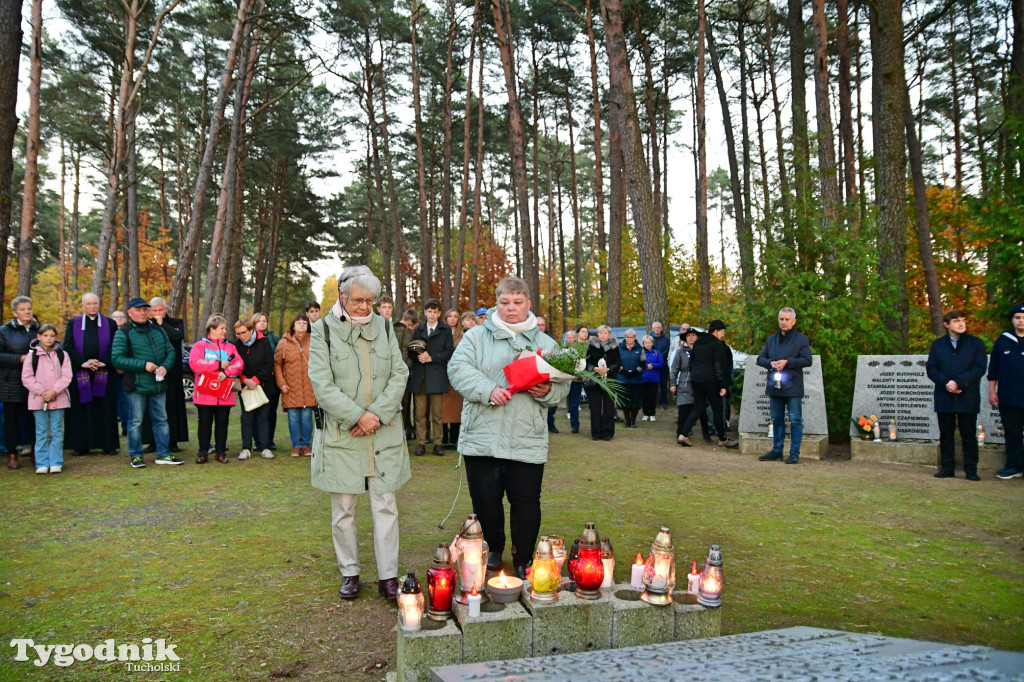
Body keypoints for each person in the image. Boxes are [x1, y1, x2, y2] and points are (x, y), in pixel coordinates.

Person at [448, 276, 570, 578]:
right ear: (496, 304)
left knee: (526, 500)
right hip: (483, 437)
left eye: (517, 303)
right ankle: (494, 548)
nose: (510, 308)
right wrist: (487, 389)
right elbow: (457, 368)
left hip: (526, 438)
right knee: (486, 499)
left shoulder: (546, 343)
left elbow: (563, 385)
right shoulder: (476, 337)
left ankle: (523, 556)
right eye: (504, 303)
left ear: (528, 304)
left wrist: (548, 392)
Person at [308, 264, 410, 601]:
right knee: (344, 508)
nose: (365, 307)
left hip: (382, 432)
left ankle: (388, 577)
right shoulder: (321, 331)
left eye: (371, 300)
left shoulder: (383, 326)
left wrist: (376, 415)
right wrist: (356, 416)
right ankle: (350, 572)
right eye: (358, 301)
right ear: (342, 296)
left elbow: (399, 372)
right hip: (343, 433)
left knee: (386, 505)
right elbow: (322, 384)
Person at [112, 298, 182, 468]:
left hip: (158, 385)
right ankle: (136, 456)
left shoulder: (157, 329)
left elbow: (171, 351)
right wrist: (143, 365)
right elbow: (117, 359)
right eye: (139, 309)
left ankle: (163, 454)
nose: (143, 312)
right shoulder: (124, 332)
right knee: (135, 422)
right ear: (130, 312)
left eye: (145, 309)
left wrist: (165, 366)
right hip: (137, 385)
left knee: (161, 420)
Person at [925, 309, 987, 481]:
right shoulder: (938, 345)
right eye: (956, 321)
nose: (961, 324)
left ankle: (971, 469)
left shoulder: (976, 343)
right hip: (944, 394)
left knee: (968, 433)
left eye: (963, 320)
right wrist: (946, 383)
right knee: (946, 433)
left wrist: (958, 382)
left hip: (967, 394)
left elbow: (979, 368)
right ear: (946, 324)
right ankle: (947, 467)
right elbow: (931, 368)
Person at [62, 293, 119, 457]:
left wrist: (103, 362)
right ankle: (81, 445)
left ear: (99, 304)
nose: (92, 306)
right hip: (81, 372)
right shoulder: (74, 323)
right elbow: (68, 345)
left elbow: (115, 346)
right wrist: (83, 362)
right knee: (82, 409)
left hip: (104, 372)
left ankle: (107, 444)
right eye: (89, 304)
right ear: (83, 306)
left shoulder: (110, 323)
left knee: (105, 408)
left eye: (95, 303)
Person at [756, 308, 812, 463]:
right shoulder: (771, 340)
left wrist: (788, 362)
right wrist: (770, 363)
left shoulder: (801, 339)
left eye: (787, 320)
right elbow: (760, 358)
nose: (784, 322)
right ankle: (777, 450)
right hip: (775, 385)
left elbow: (807, 360)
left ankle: (794, 452)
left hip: (793, 386)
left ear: (793, 322)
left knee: (795, 420)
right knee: (777, 419)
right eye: (781, 319)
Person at [189, 315, 244, 464]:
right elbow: (195, 364)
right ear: (212, 329)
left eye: (225, 328)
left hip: (224, 394)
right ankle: (203, 452)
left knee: (222, 423)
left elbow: (239, 364)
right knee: (204, 423)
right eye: (222, 328)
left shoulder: (230, 347)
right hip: (206, 393)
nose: (225, 331)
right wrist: (217, 365)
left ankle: (220, 452)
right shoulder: (200, 346)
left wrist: (226, 372)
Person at [678, 321, 738, 449]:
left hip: (696, 379)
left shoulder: (699, 342)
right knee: (717, 408)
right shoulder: (716, 344)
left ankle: (683, 434)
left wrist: (694, 375)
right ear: (716, 331)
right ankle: (722, 438)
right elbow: (718, 366)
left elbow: (692, 361)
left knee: (699, 408)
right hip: (710, 380)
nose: (723, 335)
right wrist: (722, 385)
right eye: (722, 332)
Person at [21, 324, 72, 474]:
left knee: (56, 430)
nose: (49, 339)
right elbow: (27, 377)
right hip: (38, 399)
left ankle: (56, 461)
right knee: (41, 431)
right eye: (45, 335)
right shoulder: (32, 356)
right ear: (39, 337)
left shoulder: (63, 355)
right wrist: (42, 392)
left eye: (52, 335)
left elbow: (66, 376)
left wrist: (54, 391)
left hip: (58, 398)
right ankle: (42, 462)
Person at [141, 298, 188, 453]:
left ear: (166, 309)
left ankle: (173, 440)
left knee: (172, 407)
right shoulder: (146, 325)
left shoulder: (175, 323)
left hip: (172, 372)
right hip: (152, 372)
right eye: (154, 311)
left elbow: (177, 337)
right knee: (152, 407)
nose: (157, 313)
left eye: (160, 310)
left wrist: (162, 324)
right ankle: (152, 441)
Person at [408, 299, 453, 456]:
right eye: (429, 311)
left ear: (439, 313)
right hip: (420, 376)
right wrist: (418, 358)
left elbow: (449, 352)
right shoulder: (418, 329)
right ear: (425, 312)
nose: (432, 314)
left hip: (437, 376)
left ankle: (438, 444)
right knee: (420, 414)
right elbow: (411, 352)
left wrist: (431, 357)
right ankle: (421, 443)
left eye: (435, 312)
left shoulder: (445, 330)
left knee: (437, 414)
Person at [2, 296, 40, 469]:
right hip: (12, 383)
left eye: (29, 308)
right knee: (12, 420)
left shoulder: (38, 330)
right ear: (15, 312)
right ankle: (12, 453)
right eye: (23, 309)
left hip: (35, 382)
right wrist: (20, 359)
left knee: (34, 419)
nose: (27, 312)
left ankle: (34, 451)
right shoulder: (5, 331)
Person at [990, 303, 1024, 480]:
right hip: (1009, 396)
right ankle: (1013, 466)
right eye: (1017, 317)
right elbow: (993, 369)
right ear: (1012, 320)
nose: (1021, 321)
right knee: (1012, 432)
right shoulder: (1003, 340)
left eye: (1023, 318)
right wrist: (992, 391)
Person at [234, 318, 276, 460]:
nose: (241, 336)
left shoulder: (264, 342)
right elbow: (235, 365)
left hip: (263, 385)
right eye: (238, 334)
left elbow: (269, 363)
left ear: (251, 330)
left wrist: (256, 380)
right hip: (245, 387)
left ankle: (264, 447)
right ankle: (246, 448)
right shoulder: (237, 345)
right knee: (247, 417)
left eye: (243, 332)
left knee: (263, 417)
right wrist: (244, 379)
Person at [275, 314, 316, 457]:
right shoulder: (284, 343)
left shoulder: (314, 341)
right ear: (293, 326)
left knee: (306, 417)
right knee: (293, 417)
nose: (301, 325)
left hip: (309, 386)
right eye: (298, 323)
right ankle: (295, 446)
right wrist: (281, 383)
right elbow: (277, 364)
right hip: (290, 386)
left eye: (304, 323)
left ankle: (306, 445)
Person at [252, 313, 282, 450]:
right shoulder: (250, 338)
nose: (262, 323)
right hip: (256, 380)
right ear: (254, 323)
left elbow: (280, 355)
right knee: (256, 411)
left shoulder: (274, 338)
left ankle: (269, 440)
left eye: (264, 321)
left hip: (272, 381)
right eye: (259, 321)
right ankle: (257, 441)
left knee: (271, 412)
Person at [586, 325, 621, 441]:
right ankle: (595, 432)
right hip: (595, 380)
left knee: (609, 407)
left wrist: (608, 370)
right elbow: (587, 362)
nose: (603, 335)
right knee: (595, 407)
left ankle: (608, 432)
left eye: (605, 333)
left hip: (609, 380)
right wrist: (595, 369)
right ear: (597, 334)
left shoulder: (614, 347)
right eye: (601, 333)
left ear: (609, 334)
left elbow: (618, 363)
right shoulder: (591, 346)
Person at [441, 308, 465, 448]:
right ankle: (444, 439)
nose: (452, 319)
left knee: (456, 409)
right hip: (442, 373)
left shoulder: (462, 336)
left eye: (455, 316)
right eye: (449, 316)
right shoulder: (441, 333)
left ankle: (454, 439)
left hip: (457, 375)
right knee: (443, 408)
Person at [396, 309, 418, 441]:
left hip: (410, 370)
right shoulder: (397, 329)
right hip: (400, 369)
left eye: (412, 326)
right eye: (409, 325)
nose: (410, 328)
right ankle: (403, 428)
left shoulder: (412, 332)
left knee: (409, 402)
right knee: (402, 402)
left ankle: (409, 428)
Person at [536, 316, 560, 433]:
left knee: (551, 404)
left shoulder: (551, 341)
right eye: (537, 325)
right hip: (534, 376)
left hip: (549, 376)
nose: (540, 327)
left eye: (542, 325)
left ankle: (551, 423)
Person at [617, 329, 644, 427]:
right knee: (624, 401)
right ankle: (626, 420)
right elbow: (617, 362)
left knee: (635, 402)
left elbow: (642, 363)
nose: (629, 339)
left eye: (631, 337)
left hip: (636, 379)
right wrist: (623, 371)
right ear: (625, 338)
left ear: (634, 338)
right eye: (627, 337)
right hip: (622, 379)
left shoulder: (640, 349)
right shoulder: (619, 349)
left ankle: (633, 421)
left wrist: (635, 371)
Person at [110, 310, 130, 436]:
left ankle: (126, 427)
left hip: (126, 372)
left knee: (124, 401)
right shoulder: (108, 333)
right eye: (116, 317)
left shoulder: (128, 332)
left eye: (121, 316)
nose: (119, 319)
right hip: (110, 372)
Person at [640, 334, 665, 421]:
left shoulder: (656, 353)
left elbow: (661, 364)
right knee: (644, 397)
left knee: (652, 397)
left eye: (649, 342)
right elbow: (639, 364)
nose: (647, 344)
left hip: (654, 378)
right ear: (643, 343)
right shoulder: (641, 352)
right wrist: (646, 366)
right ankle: (645, 413)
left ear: (652, 343)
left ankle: (652, 413)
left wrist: (653, 366)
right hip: (643, 378)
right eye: (646, 343)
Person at [651, 321, 671, 410]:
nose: (657, 329)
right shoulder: (649, 339)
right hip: (653, 366)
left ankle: (663, 402)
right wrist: (655, 360)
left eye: (658, 327)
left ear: (661, 329)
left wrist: (659, 358)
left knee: (663, 384)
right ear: (652, 329)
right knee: (653, 384)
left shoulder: (666, 340)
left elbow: (667, 351)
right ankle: (653, 402)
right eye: (655, 328)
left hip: (663, 365)